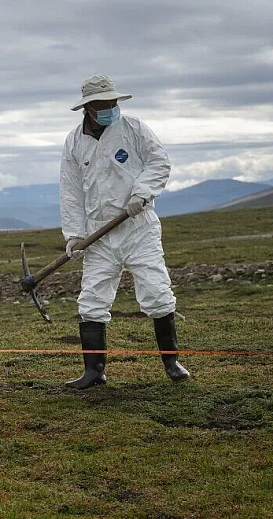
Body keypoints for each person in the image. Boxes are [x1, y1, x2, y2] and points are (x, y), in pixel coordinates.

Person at [59, 75, 190, 389]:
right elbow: (70, 191)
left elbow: (160, 161)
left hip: (137, 229)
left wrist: (141, 194)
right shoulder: (74, 142)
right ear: (89, 108)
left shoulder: (134, 129)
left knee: (157, 293)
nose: (111, 108)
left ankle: (172, 362)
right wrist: (75, 234)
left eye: (113, 103)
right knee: (91, 300)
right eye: (104, 105)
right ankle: (93, 372)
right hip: (98, 237)